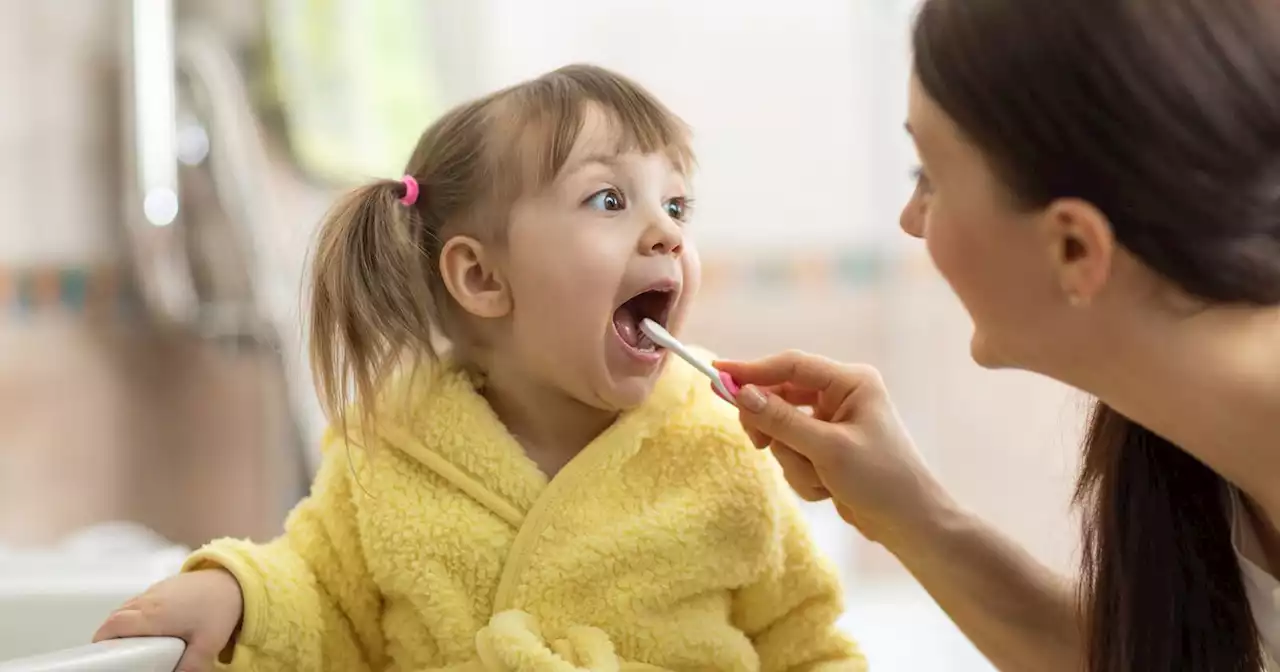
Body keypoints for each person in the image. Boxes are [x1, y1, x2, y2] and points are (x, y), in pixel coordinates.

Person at [91, 65, 865, 672]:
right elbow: (323, 604)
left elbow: (807, 644)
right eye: (608, 199)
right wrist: (233, 595)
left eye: (677, 206)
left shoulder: (720, 455)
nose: (665, 232)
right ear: (483, 279)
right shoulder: (392, 455)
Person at [715, 0, 1280, 670]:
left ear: (1074, 246)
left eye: (927, 176)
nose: (910, 220)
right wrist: (911, 511)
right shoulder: (1194, 458)